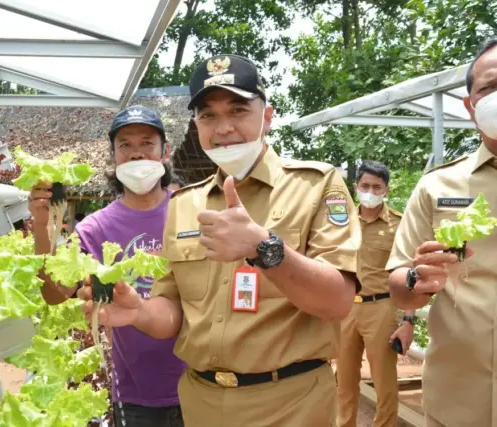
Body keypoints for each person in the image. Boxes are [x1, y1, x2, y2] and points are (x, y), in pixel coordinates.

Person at [79, 54, 362, 426]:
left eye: (238, 110)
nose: (223, 127)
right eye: (208, 115)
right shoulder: (183, 204)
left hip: (290, 404)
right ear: (196, 125)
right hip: (201, 402)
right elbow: (174, 310)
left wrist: (263, 248)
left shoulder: (315, 185)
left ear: (268, 115)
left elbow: (338, 302)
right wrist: (141, 313)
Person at [28, 105, 186, 427]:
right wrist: (43, 226)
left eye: (146, 143)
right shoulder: (96, 228)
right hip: (136, 389)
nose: (135, 154)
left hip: (200, 380)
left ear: (164, 152)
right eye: (124, 145)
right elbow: (56, 293)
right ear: (113, 156)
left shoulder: (190, 209)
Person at [386, 38, 497, 427]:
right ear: (470, 106)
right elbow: (399, 285)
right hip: (458, 401)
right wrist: (418, 278)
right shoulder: (438, 186)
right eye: (490, 88)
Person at [336, 160, 415, 427]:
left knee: (385, 384)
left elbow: (410, 276)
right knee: (343, 382)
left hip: (381, 308)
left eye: (377, 187)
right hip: (344, 309)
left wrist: (408, 320)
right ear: (355, 186)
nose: (370, 191)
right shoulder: (340, 222)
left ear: (386, 190)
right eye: (365, 185)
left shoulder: (398, 224)